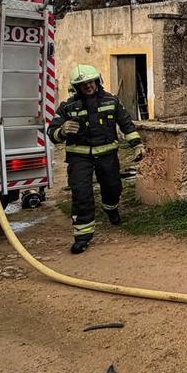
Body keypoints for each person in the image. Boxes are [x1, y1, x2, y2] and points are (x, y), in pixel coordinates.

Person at [48, 64, 145, 254]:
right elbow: (52, 133)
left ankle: (111, 208)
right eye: (83, 84)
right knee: (81, 194)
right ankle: (82, 236)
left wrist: (137, 145)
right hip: (79, 158)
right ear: (77, 87)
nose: (88, 86)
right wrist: (62, 130)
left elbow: (126, 124)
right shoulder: (67, 107)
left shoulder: (111, 101)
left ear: (97, 81)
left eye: (90, 82)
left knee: (112, 188)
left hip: (107, 155)